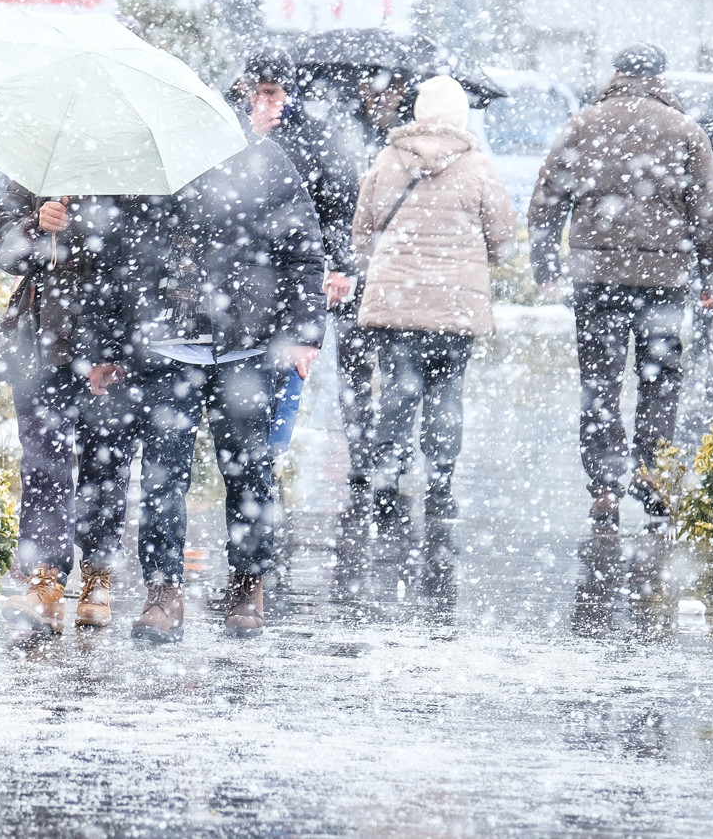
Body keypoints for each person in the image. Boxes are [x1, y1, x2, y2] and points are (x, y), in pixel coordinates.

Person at [76, 127, 325, 644]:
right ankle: (163, 590)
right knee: (164, 476)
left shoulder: (262, 159)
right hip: (165, 349)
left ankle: (248, 582)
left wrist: (303, 334)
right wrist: (104, 346)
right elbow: (113, 257)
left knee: (250, 472)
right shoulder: (145, 162)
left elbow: (302, 252)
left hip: (247, 349)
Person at [528, 42, 713, 527]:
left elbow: (546, 199)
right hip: (664, 276)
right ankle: (651, 471)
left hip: (596, 276)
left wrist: (545, 266)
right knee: (659, 378)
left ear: (616, 72)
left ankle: (604, 485)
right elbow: (709, 208)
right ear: (661, 77)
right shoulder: (685, 130)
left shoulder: (583, 124)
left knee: (600, 380)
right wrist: (711, 273)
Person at [351, 75, 516, 555]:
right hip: (454, 306)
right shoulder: (476, 164)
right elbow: (503, 236)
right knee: (446, 394)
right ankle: (440, 487)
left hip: (396, 302)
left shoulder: (386, 159)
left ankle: (387, 482)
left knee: (399, 391)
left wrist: (385, 264)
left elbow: (363, 232)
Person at [234, 49, 368, 519]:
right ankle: (252, 469)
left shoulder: (314, 139)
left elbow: (340, 204)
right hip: (237, 288)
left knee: (288, 374)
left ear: (289, 94)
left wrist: (337, 265)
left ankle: (269, 463)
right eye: (254, 92)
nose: (261, 102)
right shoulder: (227, 132)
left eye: (271, 92)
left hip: (292, 279)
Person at [0, 187, 122, 635]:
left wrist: (120, 345)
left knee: (107, 460)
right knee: (43, 464)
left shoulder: (130, 172)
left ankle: (98, 574)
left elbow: (143, 255)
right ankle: (45, 578)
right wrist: (33, 226)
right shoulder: (41, 165)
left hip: (111, 343)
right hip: (41, 345)